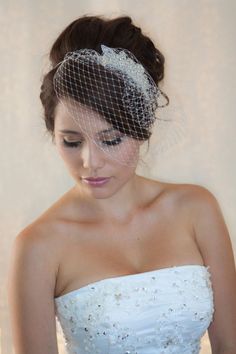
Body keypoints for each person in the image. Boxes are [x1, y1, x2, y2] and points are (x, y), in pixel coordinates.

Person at [7, 14, 236, 354]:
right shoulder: (38, 246)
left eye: (110, 140)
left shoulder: (197, 209)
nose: (90, 162)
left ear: (143, 128)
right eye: (71, 142)